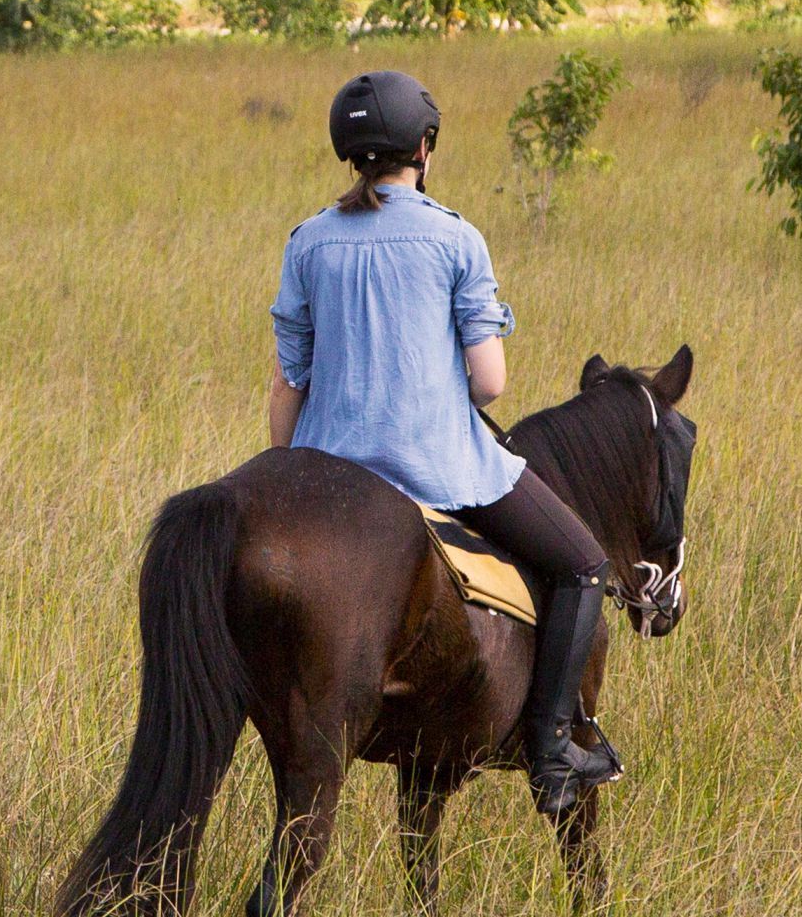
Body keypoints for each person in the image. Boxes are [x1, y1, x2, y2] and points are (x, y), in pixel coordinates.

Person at [266, 67, 623, 815]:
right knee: (585, 566)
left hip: (329, 472)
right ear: (422, 148)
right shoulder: (455, 236)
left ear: (348, 152)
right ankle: (553, 750)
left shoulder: (307, 243)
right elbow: (489, 384)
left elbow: (287, 386)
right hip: (443, 467)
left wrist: (290, 475)